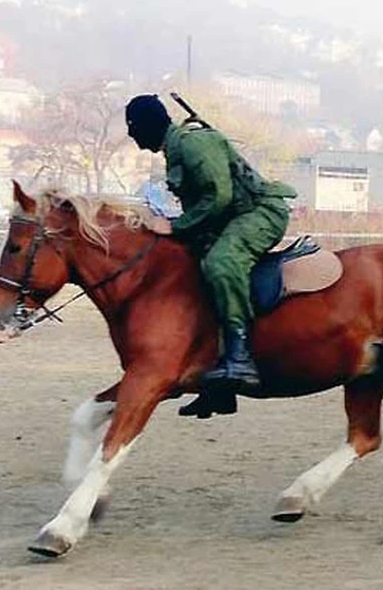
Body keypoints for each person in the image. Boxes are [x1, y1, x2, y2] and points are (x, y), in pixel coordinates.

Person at [125, 94, 296, 395]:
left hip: (260, 213)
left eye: (134, 127)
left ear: (147, 125)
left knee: (222, 263)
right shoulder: (175, 149)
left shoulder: (192, 144)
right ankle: (214, 382)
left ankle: (240, 357)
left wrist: (175, 226)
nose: (131, 135)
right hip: (231, 217)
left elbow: (219, 197)